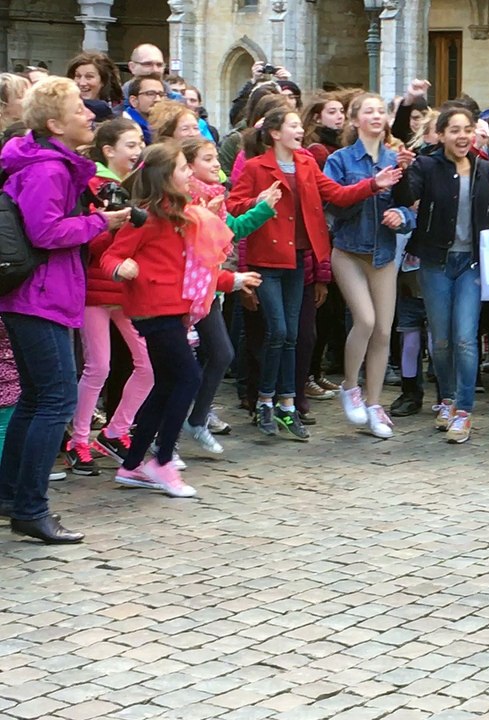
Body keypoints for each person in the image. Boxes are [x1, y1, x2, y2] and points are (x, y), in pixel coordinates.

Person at [0, 77, 132, 543]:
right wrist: (100, 220)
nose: (90, 115)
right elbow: (46, 232)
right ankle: (31, 508)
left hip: (40, 295)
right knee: (54, 399)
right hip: (38, 296)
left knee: (38, 398)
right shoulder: (47, 169)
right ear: (55, 123)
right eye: (80, 108)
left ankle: (13, 497)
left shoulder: (50, 163)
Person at [228, 107, 400, 440]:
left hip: (298, 260)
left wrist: (373, 185)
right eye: (293, 125)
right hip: (267, 261)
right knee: (276, 330)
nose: (299, 130)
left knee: (293, 334)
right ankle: (265, 400)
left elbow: (337, 194)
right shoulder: (255, 166)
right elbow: (232, 207)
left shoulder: (307, 163)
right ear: (276, 133)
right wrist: (257, 202)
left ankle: (288, 404)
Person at [104, 142, 262, 499]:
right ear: (165, 176)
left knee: (166, 384)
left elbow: (196, 268)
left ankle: (132, 465)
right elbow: (112, 255)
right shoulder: (145, 215)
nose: (190, 173)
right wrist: (120, 267)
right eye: (183, 168)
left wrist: (232, 280)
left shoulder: (186, 215)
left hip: (175, 308)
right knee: (188, 377)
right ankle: (161, 460)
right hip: (152, 307)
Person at [395, 107, 489, 444]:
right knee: (441, 341)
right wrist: (402, 172)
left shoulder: (484, 170)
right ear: (441, 135)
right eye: (455, 130)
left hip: (471, 262)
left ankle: (464, 411)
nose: (462, 136)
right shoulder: (427, 166)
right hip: (435, 262)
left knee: (465, 338)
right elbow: (406, 198)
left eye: (467, 129)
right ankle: (445, 400)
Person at [324, 93, 416, 439]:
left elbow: (411, 210)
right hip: (348, 251)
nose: (377, 116)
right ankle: (350, 387)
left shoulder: (396, 159)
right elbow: (334, 207)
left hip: (383, 254)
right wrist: (370, 187)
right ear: (354, 120)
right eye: (369, 111)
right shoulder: (339, 160)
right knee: (365, 319)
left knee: (382, 331)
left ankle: (375, 403)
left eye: (381, 111)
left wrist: (401, 215)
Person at [63, 119, 152, 477]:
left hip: (126, 290)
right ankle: (78, 439)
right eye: (130, 145)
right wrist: (111, 223)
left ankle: (115, 430)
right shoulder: (94, 186)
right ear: (108, 151)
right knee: (98, 366)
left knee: (148, 363)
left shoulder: (136, 186)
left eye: (140, 144)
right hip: (96, 291)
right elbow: (91, 243)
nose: (137, 151)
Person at [182, 137, 279, 453]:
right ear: (189, 166)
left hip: (208, 290)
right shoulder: (183, 198)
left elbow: (232, 229)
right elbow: (190, 250)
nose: (216, 165)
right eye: (207, 159)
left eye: (215, 158)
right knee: (171, 365)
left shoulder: (214, 197)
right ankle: (156, 436)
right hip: (181, 293)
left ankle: (196, 419)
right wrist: (231, 279)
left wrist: (262, 208)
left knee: (222, 353)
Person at [121, 75, 166, 144]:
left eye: (161, 94)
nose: (158, 99)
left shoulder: (164, 126)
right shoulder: (122, 128)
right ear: (134, 101)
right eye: (150, 94)